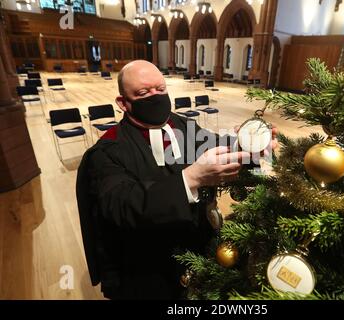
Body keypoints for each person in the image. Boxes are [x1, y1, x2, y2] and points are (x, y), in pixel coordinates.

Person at [76, 60, 277, 299]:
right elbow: (122, 205)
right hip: (149, 265)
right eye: (143, 93)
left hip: (198, 246)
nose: (155, 97)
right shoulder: (107, 151)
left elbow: (217, 147)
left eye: (160, 89)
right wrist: (190, 179)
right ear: (123, 103)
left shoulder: (180, 124)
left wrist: (250, 145)